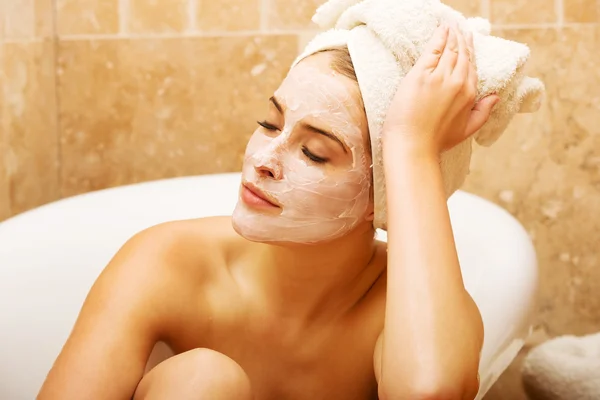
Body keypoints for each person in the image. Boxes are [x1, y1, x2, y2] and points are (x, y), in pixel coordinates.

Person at [38, 23, 499, 400]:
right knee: (203, 379)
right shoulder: (166, 261)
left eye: (315, 153)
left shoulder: (408, 313)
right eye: (269, 123)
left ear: (384, 194)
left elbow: (429, 391)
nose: (263, 159)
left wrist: (412, 147)